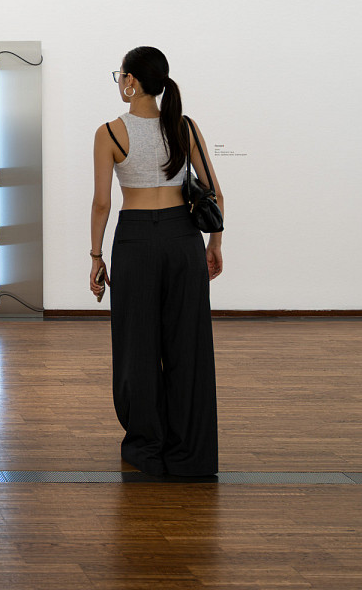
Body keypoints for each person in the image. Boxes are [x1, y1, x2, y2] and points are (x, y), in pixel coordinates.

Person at [89, 46, 224, 476]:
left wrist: (95, 256)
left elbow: (101, 204)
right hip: (183, 239)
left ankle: (147, 445)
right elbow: (214, 193)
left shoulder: (109, 133)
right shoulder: (184, 126)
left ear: (131, 81)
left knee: (137, 346)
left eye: (120, 76)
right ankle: (190, 451)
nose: (120, 84)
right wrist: (214, 244)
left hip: (134, 243)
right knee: (188, 345)